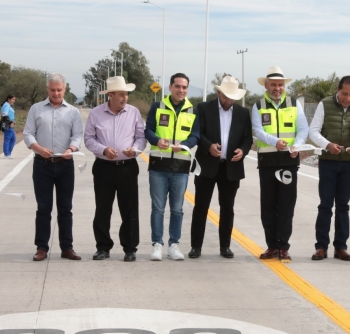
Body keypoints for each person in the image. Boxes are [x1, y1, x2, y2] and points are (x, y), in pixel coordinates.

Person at [84, 76, 147, 262]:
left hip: (127, 167)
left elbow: (141, 137)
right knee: (103, 208)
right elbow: (88, 139)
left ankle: (130, 248)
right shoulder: (96, 113)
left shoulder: (134, 112)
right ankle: (103, 247)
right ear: (110, 95)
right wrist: (102, 149)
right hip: (103, 167)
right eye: (121, 94)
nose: (125, 98)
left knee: (129, 209)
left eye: (126, 94)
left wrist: (134, 151)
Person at [189, 76, 252, 259]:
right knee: (201, 206)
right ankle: (196, 247)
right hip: (207, 166)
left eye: (232, 97)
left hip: (230, 168)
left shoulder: (242, 112)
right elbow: (197, 134)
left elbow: (248, 138)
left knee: (227, 208)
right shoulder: (203, 108)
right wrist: (208, 146)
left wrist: (243, 150)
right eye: (226, 97)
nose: (229, 101)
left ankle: (225, 246)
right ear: (218, 93)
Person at [251, 66, 309, 262]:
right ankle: (271, 246)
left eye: (280, 85)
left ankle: (283, 247)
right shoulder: (258, 105)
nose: (277, 88)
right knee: (268, 206)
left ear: (284, 86)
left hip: (288, 162)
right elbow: (258, 131)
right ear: (266, 86)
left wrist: (297, 145)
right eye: (273, 85)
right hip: (267, 161)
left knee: (286, 205)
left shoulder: (294, 104)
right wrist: (273, 141)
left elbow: (303, 129)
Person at [23, 73, 83, 262]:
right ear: (47, 90)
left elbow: (77, 136)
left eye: (59, 90)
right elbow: (28, 134)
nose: (56, 93)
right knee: (43, 208)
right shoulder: (36, 109)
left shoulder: (73, 112)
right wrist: (39, 149)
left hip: (65, 164)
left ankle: (67, 247)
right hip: (42, 165)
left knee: (65, 208)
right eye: (52, 90)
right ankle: (41, 248)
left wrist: (70, 149)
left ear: (65, 89)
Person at [308, 75, 350, 261]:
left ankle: (341, 247)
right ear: (338, 90)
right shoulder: (324, 104)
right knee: (325, 205)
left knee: (343, 205)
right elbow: (313, 131)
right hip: (328, 161)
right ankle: (321, 247)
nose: (348, 98)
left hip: (349, 163)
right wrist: (328, 145)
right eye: (344, 94)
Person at [145, 73, 200, 261]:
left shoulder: (192, 110)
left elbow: (196, 135)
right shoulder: (158, 106)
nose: (181, 90)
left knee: (177, 209)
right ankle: (157, 244)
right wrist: (156, 140)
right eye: (178, 86)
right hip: (158, 167)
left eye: (184, 87)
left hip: (181, 168)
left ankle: (173, 245)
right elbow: (148, 130)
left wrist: (185, 144)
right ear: (170, 87)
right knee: (158, 208)